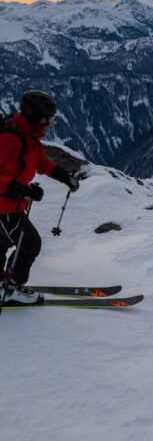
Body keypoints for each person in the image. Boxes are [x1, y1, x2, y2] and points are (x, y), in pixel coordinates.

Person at [0, 90, 80, 305]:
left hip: (10, 204)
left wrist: (64, 177)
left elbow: (41, 162)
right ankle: (11, 287)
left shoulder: (28, 137)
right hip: (6, 208)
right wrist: (22, 191)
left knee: (2, 243)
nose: (49, 122)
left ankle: (2, 284)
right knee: (30, 244)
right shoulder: (12, 140)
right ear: (35, 116)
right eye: (48, 118)